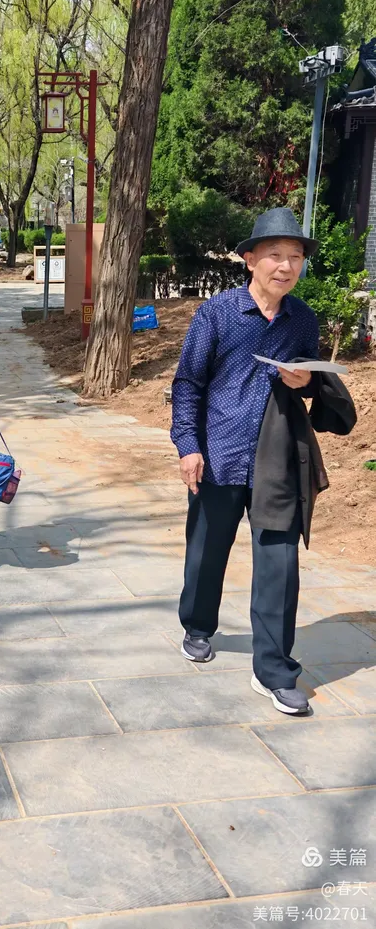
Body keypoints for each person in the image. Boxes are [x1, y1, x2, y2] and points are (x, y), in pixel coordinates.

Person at [170, 207, 356, 716]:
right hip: (219, 453)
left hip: (278, 457)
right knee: (207, 550)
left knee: (280, 563)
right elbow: (188, 383)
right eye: (275, 254)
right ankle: (197, 625)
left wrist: (308, 380)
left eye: (295, 256)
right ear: (250, 259)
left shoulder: (303, 319)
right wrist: (188, 445)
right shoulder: (217, 313)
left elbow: (310, 382)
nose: (286, 265)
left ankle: (274, 670)